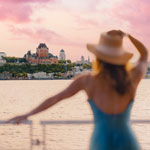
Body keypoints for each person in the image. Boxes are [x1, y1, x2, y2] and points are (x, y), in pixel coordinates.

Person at [8, 30, 148, 150]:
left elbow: (55, 98)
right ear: (120, 57)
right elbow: (144, 54)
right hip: (127, 141)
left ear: (98, 57)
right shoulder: (131, 78)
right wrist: (127, 35)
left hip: (101, 142)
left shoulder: (87, 81)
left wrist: (28, 114)